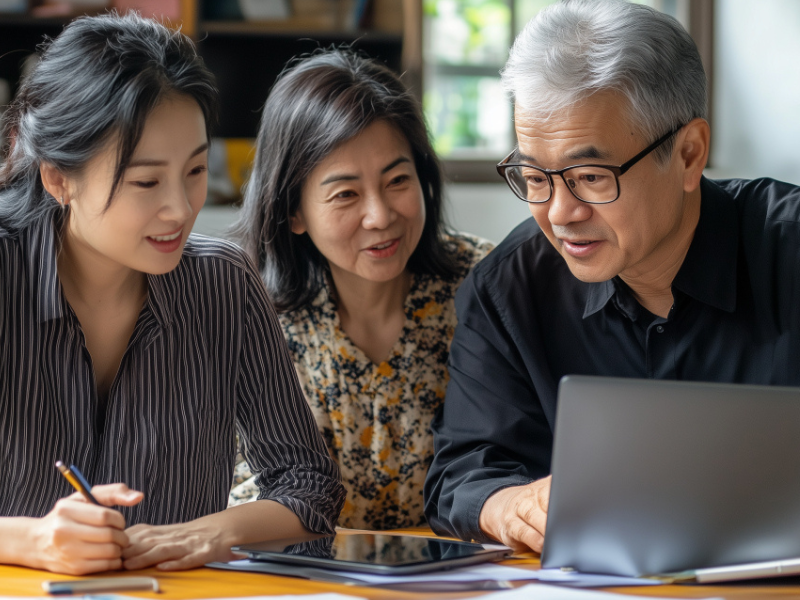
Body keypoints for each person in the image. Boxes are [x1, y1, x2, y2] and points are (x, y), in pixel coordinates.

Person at [424, 0, 800, 553]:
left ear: (690, 154)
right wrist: (508, 506)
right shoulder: (509, 290)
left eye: (591, 176)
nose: (558, 213)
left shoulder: (788, 250)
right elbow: (460, 473)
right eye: (534, 176)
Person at [0, 12, 344, 575]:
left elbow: (309, 484)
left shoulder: (223, 284)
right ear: (57, 176)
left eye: (195, 170)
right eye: (145, 181)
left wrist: (210, 535)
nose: (182, 210)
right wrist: (30, 542)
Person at [230, 50, 492, 530]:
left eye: (397, 180)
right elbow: (238, 500)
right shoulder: (248, 316)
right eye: (346, 194)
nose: (380, 216)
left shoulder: (488, 286)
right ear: (294, 212)